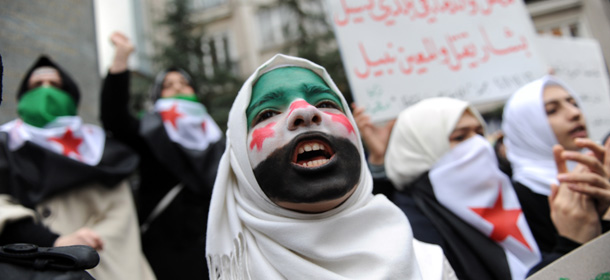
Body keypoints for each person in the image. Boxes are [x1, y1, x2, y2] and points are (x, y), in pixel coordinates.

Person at [205, 53, 456, 279]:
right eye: (268, 113)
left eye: (325, 103)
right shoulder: (235, 273)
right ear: (239, 159)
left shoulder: (430, 266)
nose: (304, 112)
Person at [0, 55, 155, 280]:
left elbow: (119, 214)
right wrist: (51, 243)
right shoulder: (5, 144)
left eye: (55, 85)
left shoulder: (101, 148)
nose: (46, 91)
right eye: (37, 85)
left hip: (104, 263)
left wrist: (83, 245)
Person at [101, 31, 225, 279]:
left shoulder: (216, 134)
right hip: (166, 248)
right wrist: (121, 58)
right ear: (157, 96)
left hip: (216, 245)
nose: (178, 86)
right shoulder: (148, 130)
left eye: (183, 82)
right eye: (168, 85)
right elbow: (114, 118)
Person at [384, 97, 541, 280]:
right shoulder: (412, 228)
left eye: (480, 133)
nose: (479, 145)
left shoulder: (505, 192)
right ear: (422, 147)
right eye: (460, 137)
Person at [502, 75, 610, 263]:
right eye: (552, 110)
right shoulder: (517, 198)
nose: (575, 113)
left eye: (574, 103)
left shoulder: (596, 169)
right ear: (525, 128)